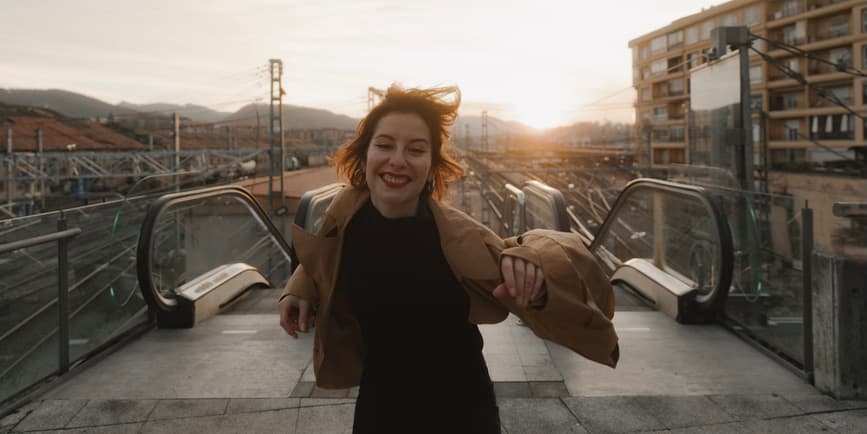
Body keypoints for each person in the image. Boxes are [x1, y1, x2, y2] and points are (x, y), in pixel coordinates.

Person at [278, 85, 619, 433]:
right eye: (384, 145)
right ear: (364, 155)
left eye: (416, 149)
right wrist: (300, 286)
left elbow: (562, 252)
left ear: (431, 165)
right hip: (380, 401)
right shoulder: (348, 211)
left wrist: (533, 263)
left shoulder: (453, 234)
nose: (397, 159)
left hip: (460, 407)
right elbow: (327, 248)